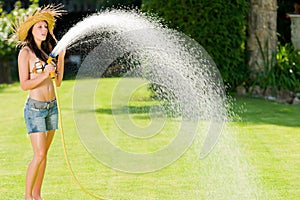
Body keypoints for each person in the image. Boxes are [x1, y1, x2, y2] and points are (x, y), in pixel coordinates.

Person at [15, 5, 66, 200]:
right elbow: (24, 84)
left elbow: (58, 82)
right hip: (35, 109)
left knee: (44, 155)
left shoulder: (49, 51)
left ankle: (37, 195)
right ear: (31, 30)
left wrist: (60, 58)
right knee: (39, 154)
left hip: (52, 107)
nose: (44, 30)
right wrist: (45, 74)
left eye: (45, 27)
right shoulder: (25, 53)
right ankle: (28, 196)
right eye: (39, 27)